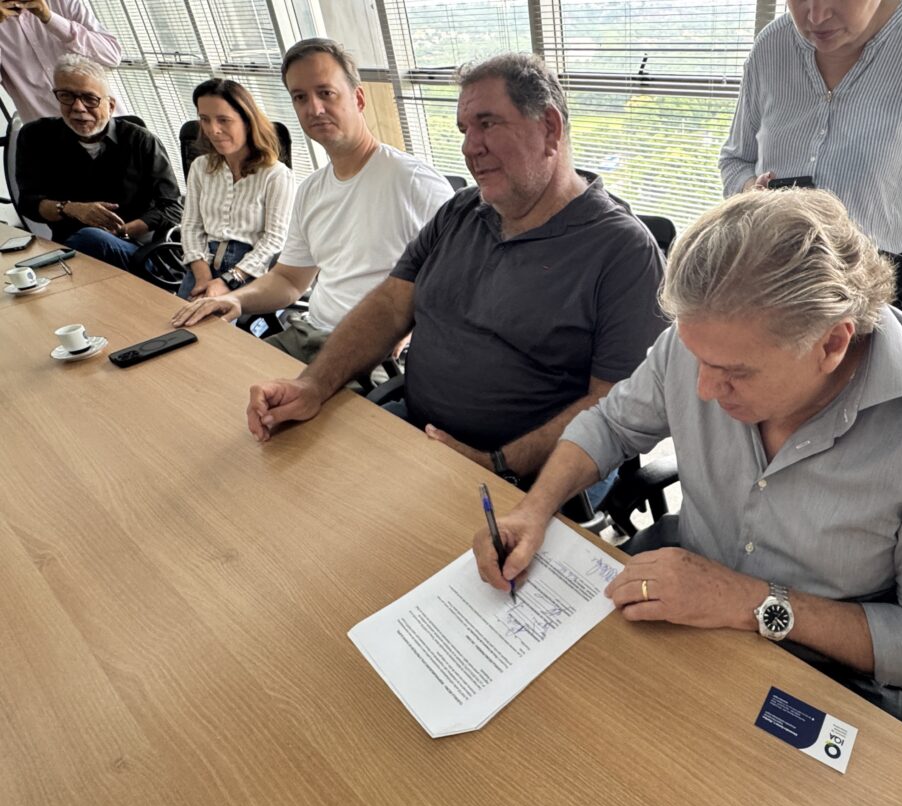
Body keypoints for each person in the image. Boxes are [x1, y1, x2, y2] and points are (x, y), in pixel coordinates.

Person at [473, 189, 902, 724]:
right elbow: (611, 424)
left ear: (832, 343)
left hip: (831, 670)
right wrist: (534, 509)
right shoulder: (707, 342)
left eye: (735, 373)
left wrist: (749, 602)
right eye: (696, 359)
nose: (705, 390)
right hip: (685, 607)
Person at [241, 53, 666, 487]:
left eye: (488, 123)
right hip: (415, 435)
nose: (468, 147)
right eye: (465, 130)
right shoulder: (462, 211)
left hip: (531, 476)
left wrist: (497, 463)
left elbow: (611, 403)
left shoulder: (623, 252)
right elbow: (390, 305)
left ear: (550, 129)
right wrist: (313, 385)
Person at [169, 38, 453, 363]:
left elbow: (458, 284)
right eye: (300, 97)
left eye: (326, 93)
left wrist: (414, 327)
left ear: (358, 99)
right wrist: (237, 301)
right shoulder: (311, 189)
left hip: (375, 351)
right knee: (209, 377)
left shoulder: (413, 182)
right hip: (309, 334)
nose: (314, 109)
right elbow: (289, 280)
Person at [719, 0, 902, 273]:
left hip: (885, 279)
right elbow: (736, 160)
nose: (816, 15)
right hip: (772, 269)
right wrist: (752, 192)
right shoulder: (771, 45)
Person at [16, 53, 181, 270]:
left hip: (137, 249)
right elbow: (28, 203)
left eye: (89, 98)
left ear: (110, 105)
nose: (78, 108)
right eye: (66, 96)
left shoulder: (141, 140)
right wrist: (70, 209)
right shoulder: (36, 136)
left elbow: (172, 208)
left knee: (90, 238)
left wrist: (121, 231)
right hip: (73, 250)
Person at [176, 78, 295, 300]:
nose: (213, 130)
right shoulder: (200, 167)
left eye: (224, 120)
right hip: (202, 262)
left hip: (249, 268)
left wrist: (228, 280)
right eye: (205, 120)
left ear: (247, 122)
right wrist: (202, 277)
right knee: (176, 325)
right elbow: (191, 226)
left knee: (213, 331)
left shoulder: (276, 175)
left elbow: (274, 240)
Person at [0, 0, 122, 123]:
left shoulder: (62, 3)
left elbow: (112, 55)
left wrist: (50, 18)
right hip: (50, 133)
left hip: (106, 124)